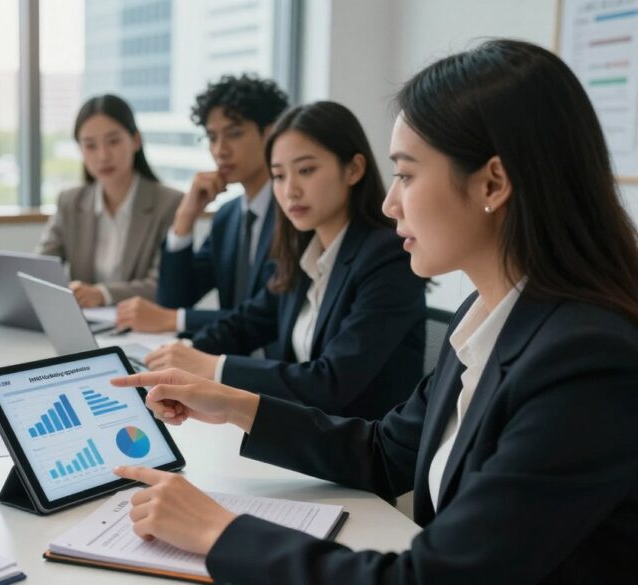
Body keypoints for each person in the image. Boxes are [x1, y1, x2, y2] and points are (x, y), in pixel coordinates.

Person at [108, 40, 638, 584]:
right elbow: (385, 453)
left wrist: (219, 534)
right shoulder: (484, 318)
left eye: (406, 175)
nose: (391, 204)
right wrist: (233, 403)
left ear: (492, 183)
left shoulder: (586, 361)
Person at [144, 101, 426, 419]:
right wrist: (180, 355)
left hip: (361, 455)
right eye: (278, 176)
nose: (290, 190)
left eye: (305, 170)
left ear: (353, 169)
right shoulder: (303, 254)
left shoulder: (387, 257)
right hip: (305, 439)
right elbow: (245, 324)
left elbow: (331, 382)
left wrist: (213, 367)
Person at [116, 74, 289, 333]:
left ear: (270, 133)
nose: (220, 150)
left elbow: (273, 316)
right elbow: (173, 300)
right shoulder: (228, 216)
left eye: (234, 134)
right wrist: (185, 217)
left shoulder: (294, 213)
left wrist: (175, 320)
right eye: (212, 137)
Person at [36, 94, 183, 307]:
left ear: (135, 140)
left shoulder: (169, 203)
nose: (103, 156)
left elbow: (163, 284)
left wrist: (102, 294)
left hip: (143, 328)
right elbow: (41, 267)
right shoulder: (70, 202)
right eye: (90, 146)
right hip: (85, 326)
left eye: (113, 141)